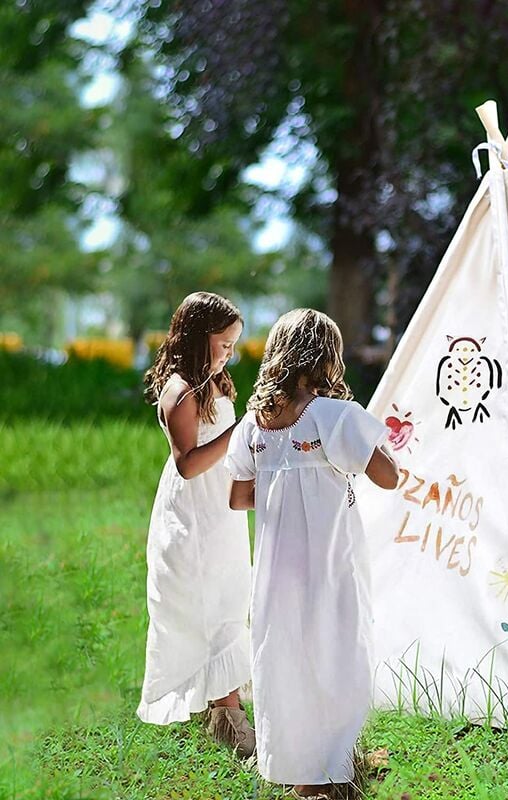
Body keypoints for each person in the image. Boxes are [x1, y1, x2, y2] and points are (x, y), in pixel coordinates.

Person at [225, 308, 398, 798]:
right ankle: (335, 765)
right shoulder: (334, 415)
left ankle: (296, 767)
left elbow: (239, 497)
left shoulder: (255, 424)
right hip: (329, 561)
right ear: (327, 359)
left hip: (277, 569)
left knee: (283, 657)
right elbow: (388, 476)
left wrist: (285, 483)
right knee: (338, 650)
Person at [137, 291, 255, 758]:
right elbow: (187, 463)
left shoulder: (216, 382)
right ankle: (228, 716)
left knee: (230, 595)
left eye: (232, 345)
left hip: (220, 510)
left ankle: (224, 706)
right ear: (197, 337)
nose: (230, 353)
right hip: (192, 514)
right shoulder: (180, 390)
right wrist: (238, 431)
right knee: (206, 604)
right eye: (224, 344)